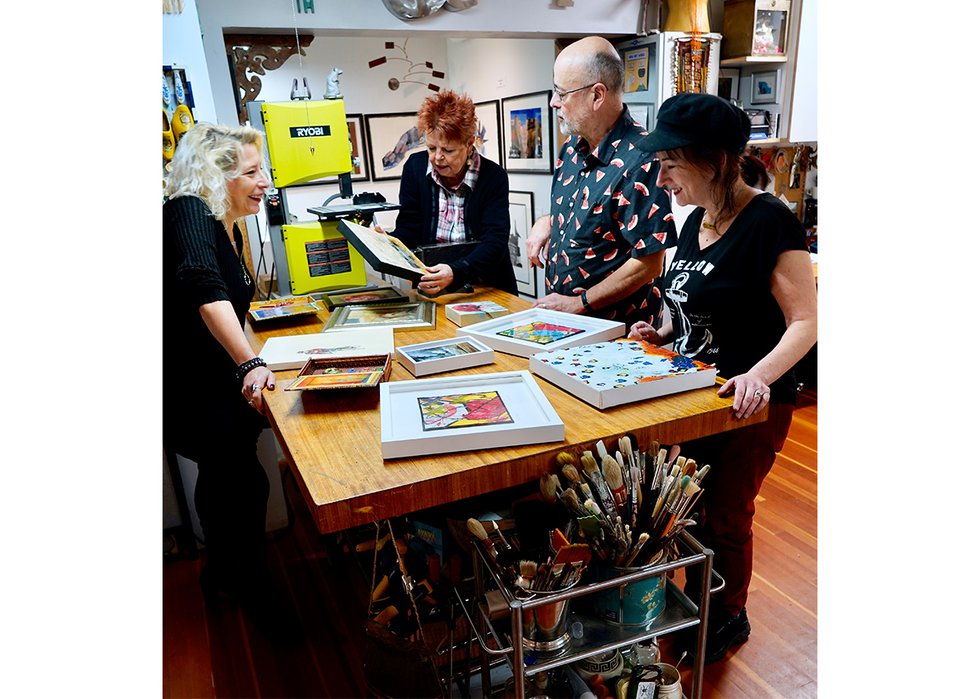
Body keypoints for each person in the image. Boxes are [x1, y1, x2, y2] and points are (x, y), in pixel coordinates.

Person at [628, 93, 818, 664]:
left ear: (711, 161)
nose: (662, 178)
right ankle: (696, 604)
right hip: (694, 398)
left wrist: (758, 375)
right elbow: (691, 306)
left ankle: (728, 615)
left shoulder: (769, 222)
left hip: (750, 405)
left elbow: (806, 320)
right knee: (688, 511)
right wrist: (660, 331)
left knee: (727, 516)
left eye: (670, 164)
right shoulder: (695, 222)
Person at [162, 123, 288, 630]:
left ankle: (223, 572)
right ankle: (252, 588)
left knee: (232, 480)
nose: (264, 184)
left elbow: (230, 306)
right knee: (241, 482)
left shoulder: (230, 224)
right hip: (194, 388)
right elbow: (203, 284)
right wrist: (251, 362)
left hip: (218, 382)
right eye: (253, 172)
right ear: (215, 175)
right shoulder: (189, 209)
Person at [525, 36, 676, 327]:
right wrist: (548, 221)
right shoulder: (571, 148)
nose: (554, 102)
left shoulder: (642, 159)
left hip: (617, 336)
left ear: (597, 95)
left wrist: (580, 303)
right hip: (566, 324)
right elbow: (590, 218)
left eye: (562, 93)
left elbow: (649, 262)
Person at [388, 90, 517, 295]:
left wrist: (456, 271)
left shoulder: (493, 177)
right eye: (431, 148)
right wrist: (387, 241)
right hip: (433, 284)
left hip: (487, 285)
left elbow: (494, 242)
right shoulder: (414, 168)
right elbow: (410, 228)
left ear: (469, 144)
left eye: (448, 151)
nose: (437, 158)